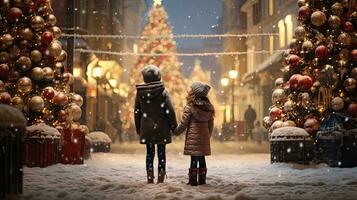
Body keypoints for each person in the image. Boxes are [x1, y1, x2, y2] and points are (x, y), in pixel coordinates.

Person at [134, 65, 177, 184]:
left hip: (147, 128)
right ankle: (161, 177)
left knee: (149, 153)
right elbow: (170, 111)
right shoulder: (163, 92)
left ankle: (149, 177)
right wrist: (173, 126)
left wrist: (139, 128)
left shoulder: (140, 93)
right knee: (161, 153)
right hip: (162, 128)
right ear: (159, 77)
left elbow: (137, 112)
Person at [173, 82, 215, 186]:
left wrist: (175, 132)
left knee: (194, 159)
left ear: (194, 94)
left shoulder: (190, 107)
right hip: (204, 139)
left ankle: (192, 181)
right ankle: (202, 180)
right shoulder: (209, 108)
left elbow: (183, 124)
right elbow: (211, 126)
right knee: (202, 158)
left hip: (193, 139)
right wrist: (206, 136)